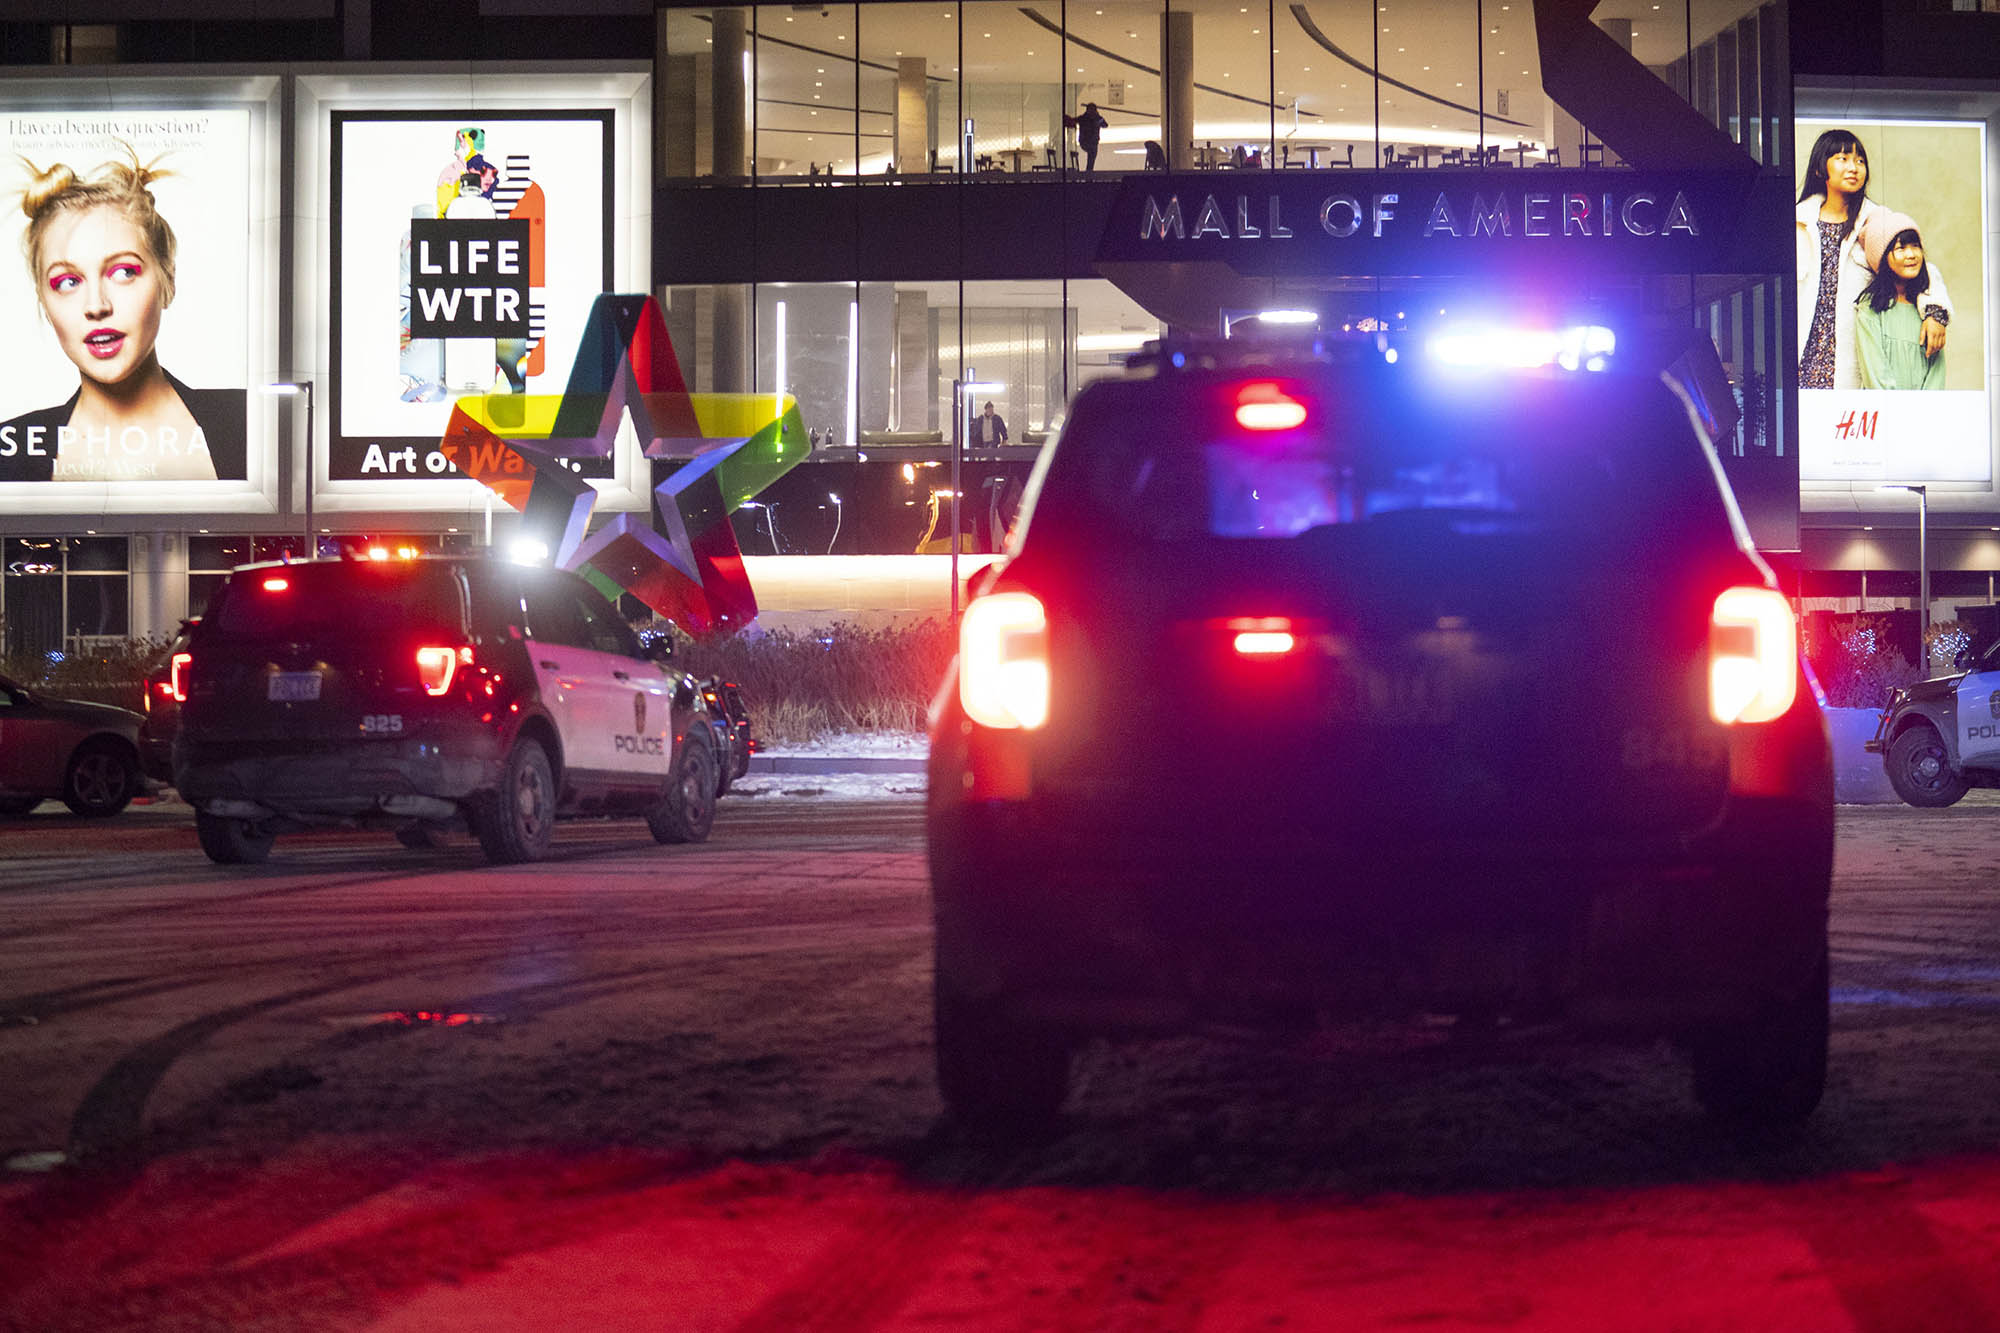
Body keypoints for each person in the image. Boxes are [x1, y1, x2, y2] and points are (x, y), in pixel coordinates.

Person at [1, 147, 244, 483]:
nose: (97, 305)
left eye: (123, 272)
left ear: (167, 279)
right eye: (67, 281)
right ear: (44, 300)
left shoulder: (251, 426)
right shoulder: (12, 451)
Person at [1795, 128, 1950, 390]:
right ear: (1821, 169)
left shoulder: (1876, 220)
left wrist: (1935, 313)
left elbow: (1920, 266)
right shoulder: (1797, 222)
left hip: (1854, 357)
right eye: (1842, 159)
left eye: (1860, 161)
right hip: (1803, 355)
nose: (1854, 167)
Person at [1853, 211, 1946, 391]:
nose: (1911, 254)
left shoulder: (1930, 310)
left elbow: (1937, 374)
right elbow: (1875, 375)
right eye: (1901, 248)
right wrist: (1899, 412)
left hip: (1924, 415)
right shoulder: (1870, 308)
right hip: (1885, 412)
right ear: (1882, 258)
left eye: (1915, 246)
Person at [1065, 102, 1109, 175]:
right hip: (1086, 142)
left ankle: (1089, 173)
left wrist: (1099, 119)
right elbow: (1074, 121)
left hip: (1092, 142)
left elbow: (1105, 125)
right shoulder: (1084, 118)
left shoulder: (1096, 118)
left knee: (1092, 157)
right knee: (1092, 155)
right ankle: (1089, 173)